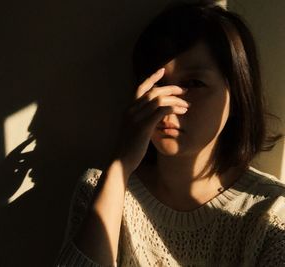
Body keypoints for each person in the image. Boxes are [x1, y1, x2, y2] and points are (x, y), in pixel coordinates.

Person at [54, 1, 285, 266]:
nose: (166, 103)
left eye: (194, 84)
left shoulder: (272, 212)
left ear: (236, 95)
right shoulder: (100, 188)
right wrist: (120, 167)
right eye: (158, 84)